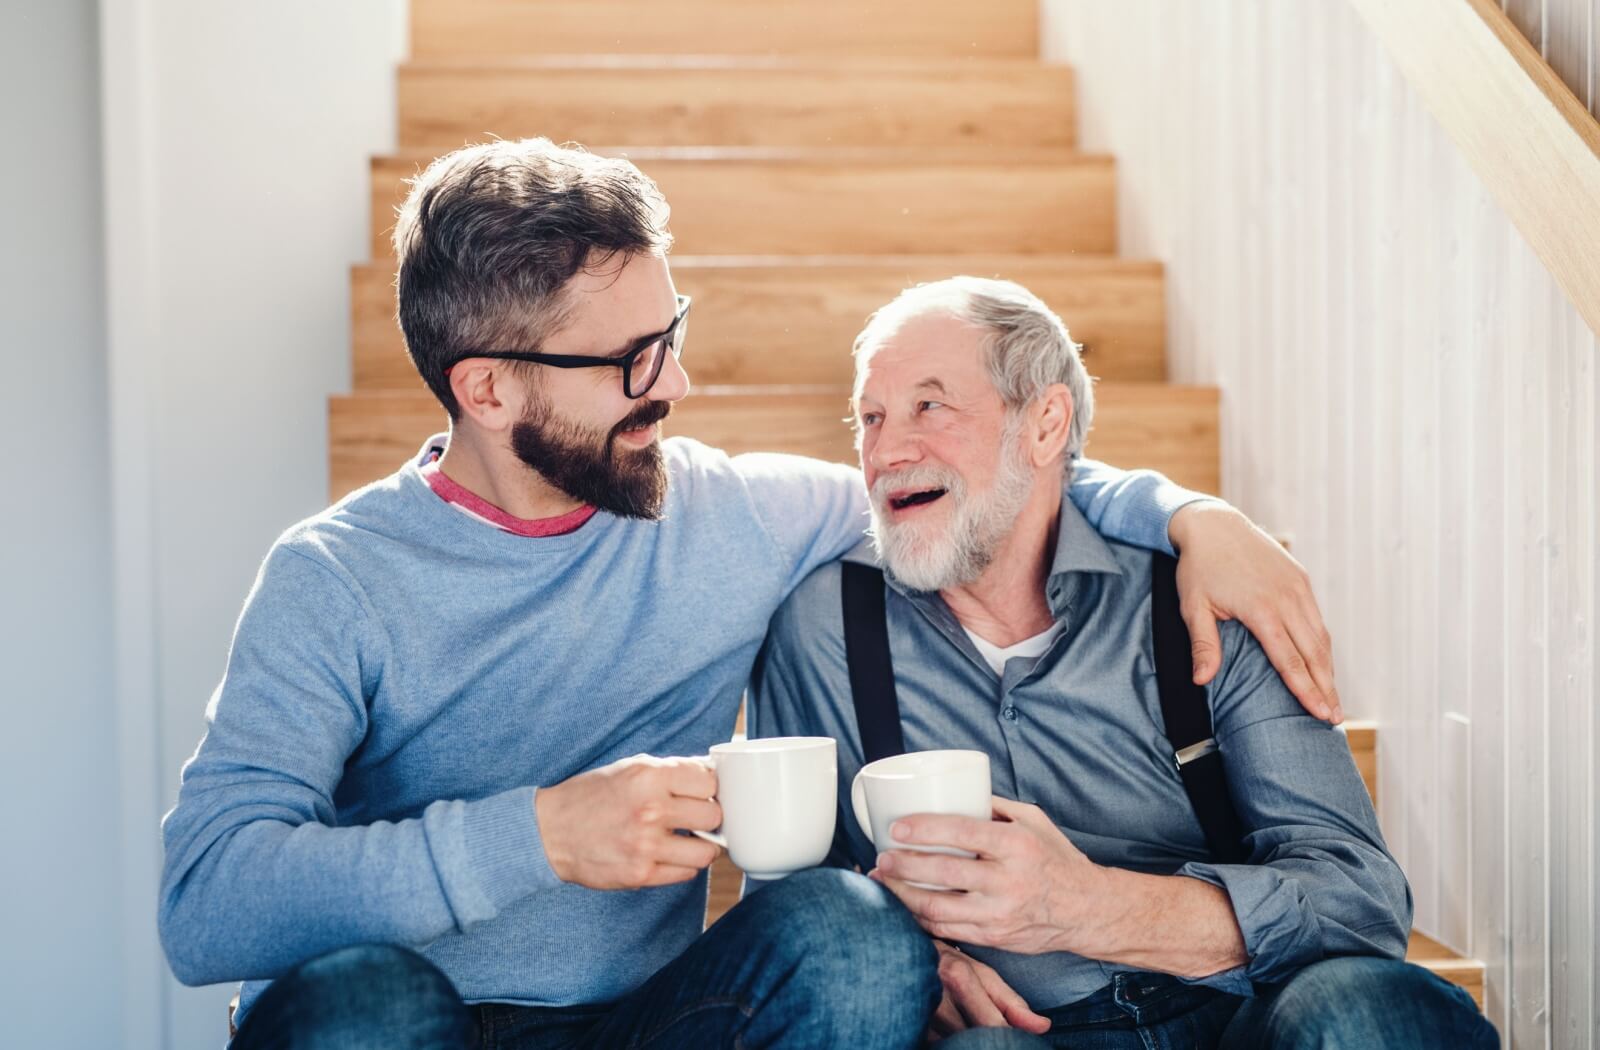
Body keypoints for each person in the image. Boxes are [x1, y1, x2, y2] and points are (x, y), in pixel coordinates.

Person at [159, 139, 1344, 1049]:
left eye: (668, 331)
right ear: (488, 392)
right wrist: (537, 837)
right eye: (630, 360)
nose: (675, 380)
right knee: (365, 998)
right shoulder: (336, 578)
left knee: (851, 936)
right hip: (418, 1017)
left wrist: (1192, 516)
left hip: (655, 1017)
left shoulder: (732, 513)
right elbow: (205, 904)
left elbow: (980, 474)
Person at [751, 277, 1498, 1048]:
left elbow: (1361, 902)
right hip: (1019, 1032)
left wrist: (1092, 907)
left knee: (1367, 1016)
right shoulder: (824, 628)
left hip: (1241, 1014)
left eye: (929, 407)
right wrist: (919, 963)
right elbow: (805, 907)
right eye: (869, 417)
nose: (887, 451)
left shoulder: (1205, 597)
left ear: (1044, 425)